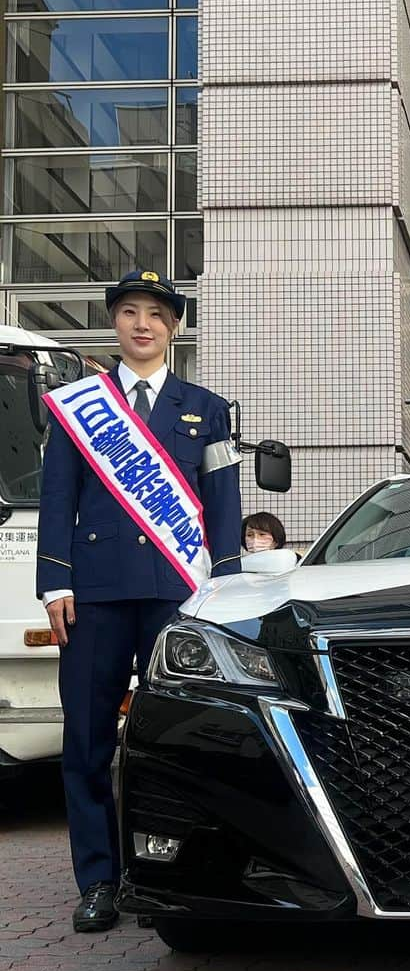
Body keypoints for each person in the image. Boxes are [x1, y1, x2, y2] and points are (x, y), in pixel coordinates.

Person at [36, 270, 243, 933]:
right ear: (115, 323)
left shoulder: (206, 408)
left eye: (155, 313)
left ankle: (171, 871)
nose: (142, 323)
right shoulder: (79, 406)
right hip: (94, 594)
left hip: (175, 596)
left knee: (180, 736)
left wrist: (228, 587)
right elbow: (57, 496)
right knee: (88, 738)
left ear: (174, 326)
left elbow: (224, 506)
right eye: (129, 311)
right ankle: (98, 878)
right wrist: (56, 582)